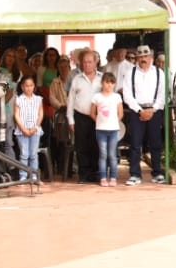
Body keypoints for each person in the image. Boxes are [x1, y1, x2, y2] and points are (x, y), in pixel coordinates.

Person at [121, 45, 167, 185]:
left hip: (154, 110)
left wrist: (152, 110)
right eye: (140, 57)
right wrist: (140, 110)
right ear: (137, 59)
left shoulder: (159, 73)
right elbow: (127, 95)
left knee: (155, 143)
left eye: (146, 56)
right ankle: (135, 174)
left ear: (151, 58)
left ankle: (157, 172)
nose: (143, 59)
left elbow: (162, 95)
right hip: (137, 112)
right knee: (135, 144)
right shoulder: (131, 73)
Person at [67, 48, 102, 183]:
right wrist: (71, 120)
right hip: (80, 116)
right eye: (85, 62)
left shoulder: (101, 78)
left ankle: (96, 173)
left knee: (96, 146)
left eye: (90, 62)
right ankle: (84, 175)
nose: (87, 64)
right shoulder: (77, 79)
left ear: (95, 63)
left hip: (98, 117)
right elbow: (70, 100)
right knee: (81, 147)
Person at [91, 71, 123, 186]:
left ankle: (113, 177)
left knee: (112, 154)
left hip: (113, 130)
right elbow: (92, 113)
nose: (109, 85)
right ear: (102, 83)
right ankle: (103, 177)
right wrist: (99, 121)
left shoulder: (117, 97)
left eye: (111, 83)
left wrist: (113, 121)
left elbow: (120, 113)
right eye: (107, 82)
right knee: (103, 154)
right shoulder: (97, 97)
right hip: (100, 130)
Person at [13, 74, 45, 181]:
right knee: (24, 154)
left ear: (34, 86)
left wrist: (35, 127)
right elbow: (16, 115)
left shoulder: (38, 99)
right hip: (22, 130)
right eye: (26, 86)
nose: (29, 88)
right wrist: (23, 129)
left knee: (33, 154)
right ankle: (23, 175)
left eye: (31, 85)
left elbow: (40, 114)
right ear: (22, 87)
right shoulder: (18, 99)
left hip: (35, 130)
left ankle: (34, 175)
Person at [48, 55, 71, 179]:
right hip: (60, 115)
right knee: (61, 142)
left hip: (72, 114)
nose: (63, 69)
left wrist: (70, 106)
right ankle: (62, 168)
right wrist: (61, 106)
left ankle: (70, 169)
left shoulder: (73, 80)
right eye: (61, 67)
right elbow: (52, 98)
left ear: (69, 67)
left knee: (72, 142)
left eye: (65, 67)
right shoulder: (54, 82)